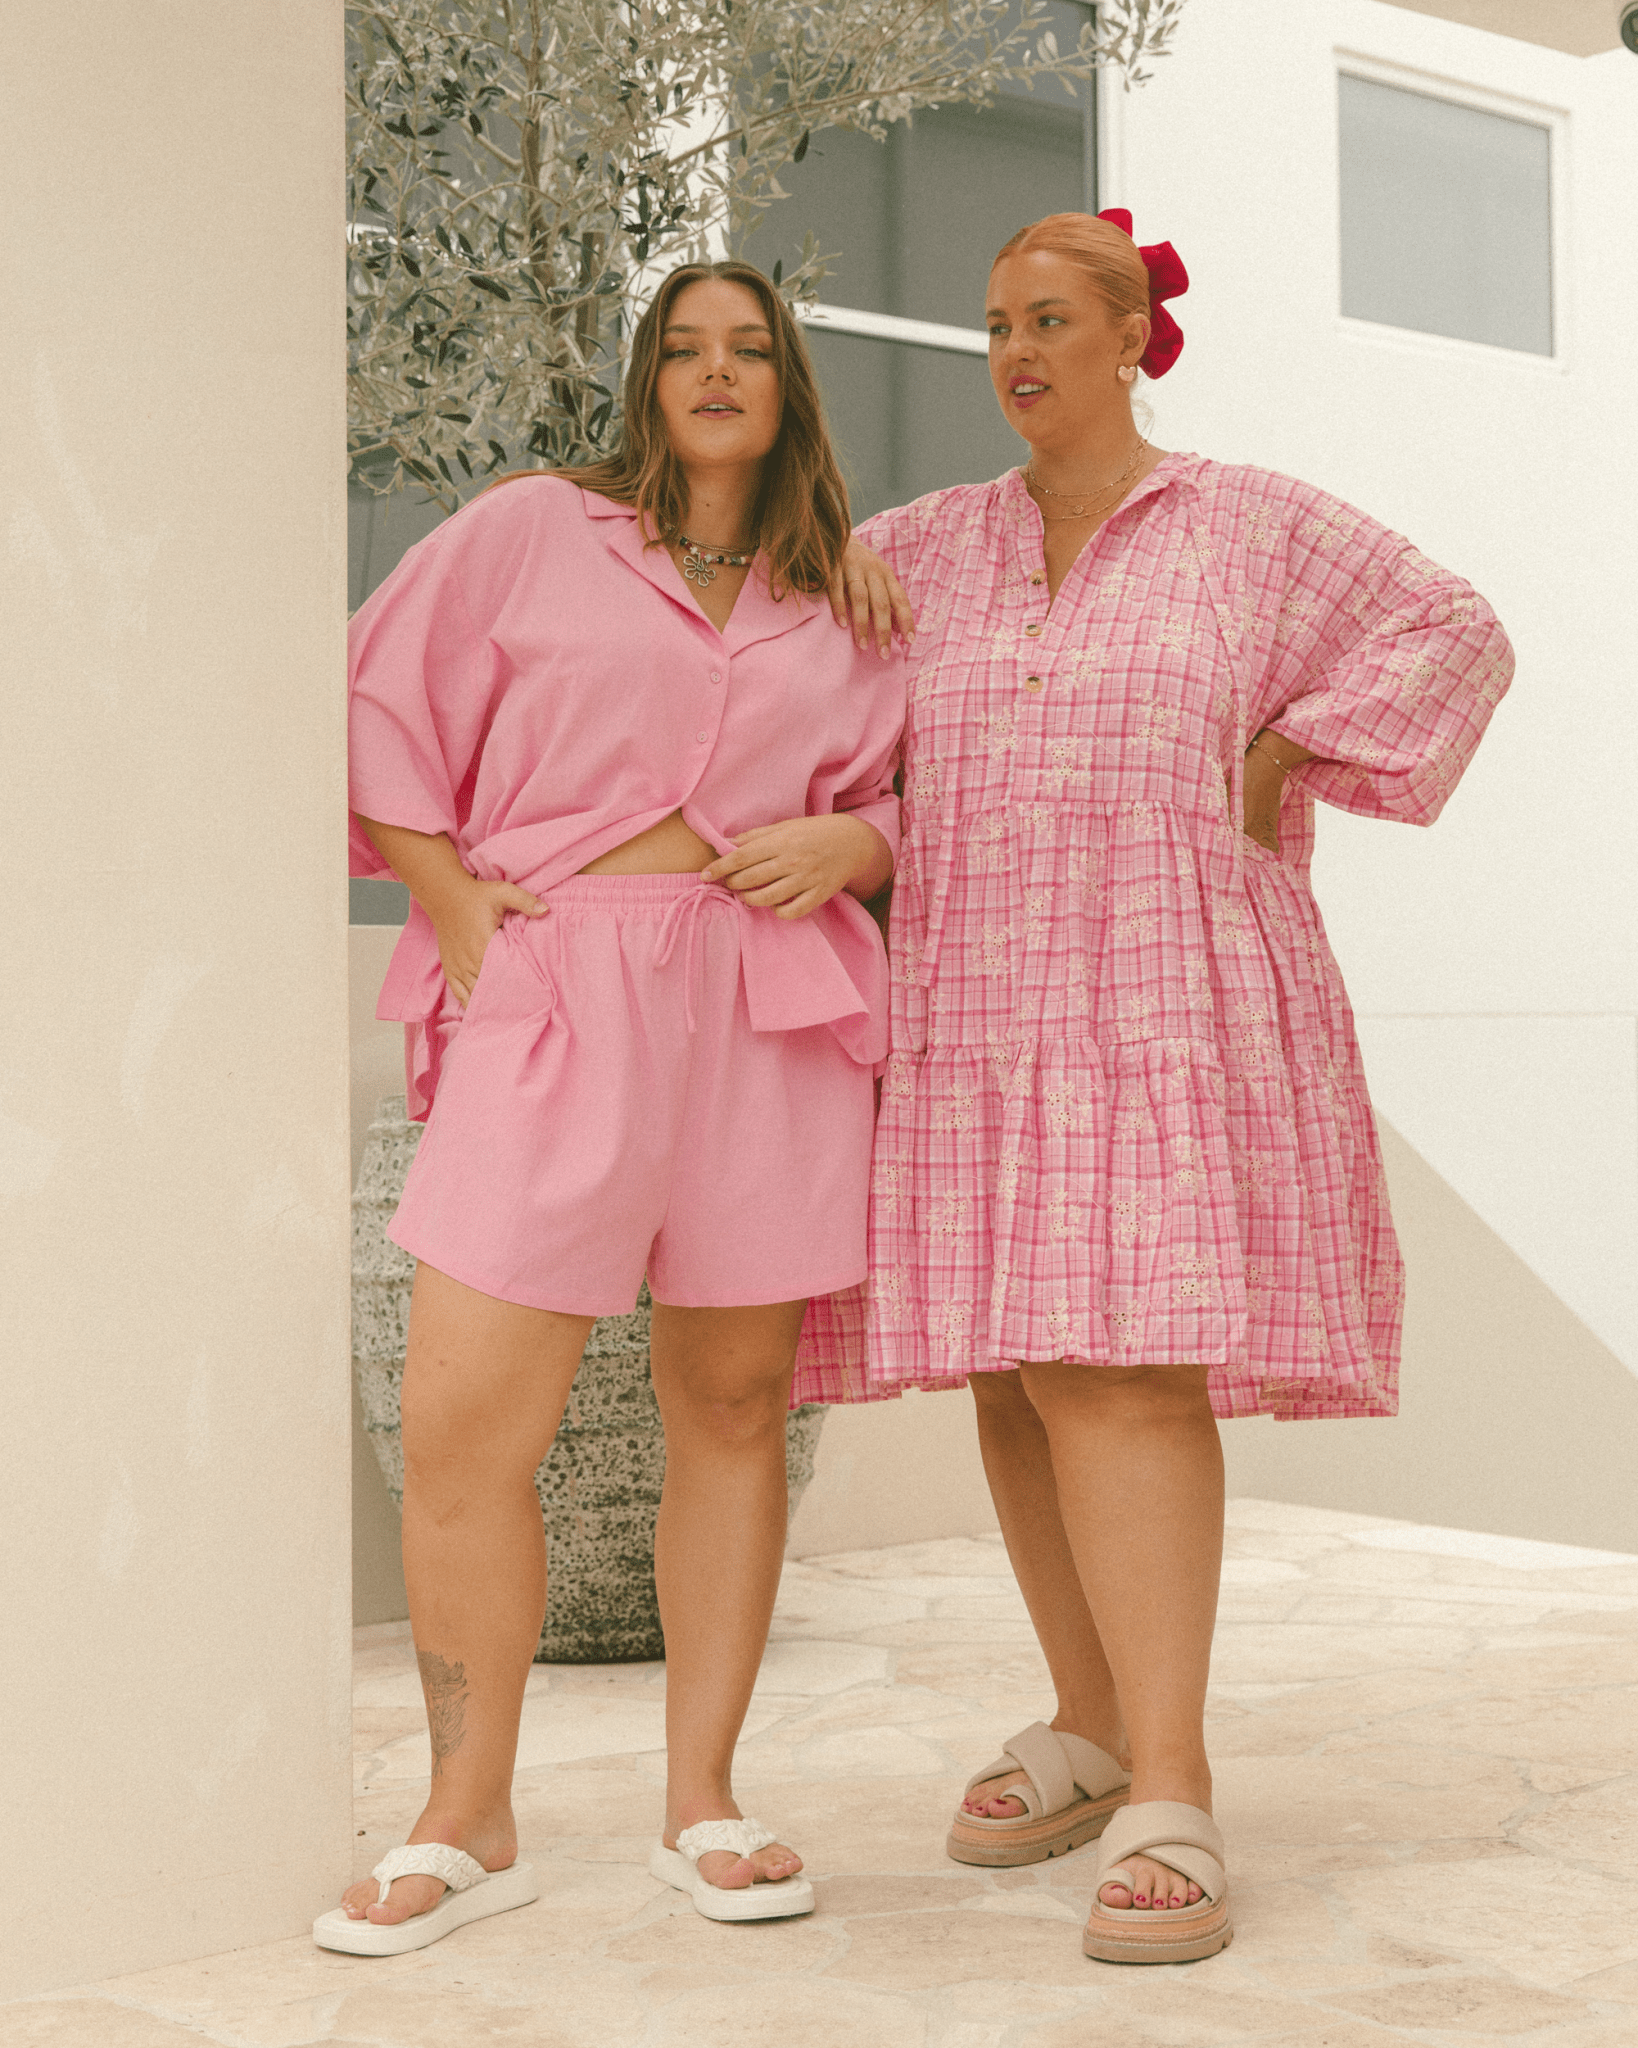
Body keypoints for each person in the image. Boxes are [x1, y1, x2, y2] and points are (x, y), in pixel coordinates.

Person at [827, 208, 1512, 1964]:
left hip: (1160, 996)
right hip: (975, 1002)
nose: (1014, 351)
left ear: (1134, 337)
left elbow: (1452, 624)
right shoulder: (921, 549)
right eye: (995, 323)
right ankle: (1089, 1723)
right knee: (1016, 1371)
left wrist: (1290, 750)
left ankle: (1175, 1783)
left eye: (1051, 319)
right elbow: (777, 656)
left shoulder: (1250, 528)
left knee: (1119, 1367)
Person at [315, 260, 905, 1956]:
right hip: (560, 983)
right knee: (461, 1424)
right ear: (644, 379)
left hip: (766, 1008)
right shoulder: (529, 532)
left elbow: (914, 798)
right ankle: (464, 1816)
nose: (715, 372)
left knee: (730, 1406)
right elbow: (370, 700)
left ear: (787, 388)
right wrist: (447, 898)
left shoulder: (844, 598)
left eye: (749, 350)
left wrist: (856, 843)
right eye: (682, 348)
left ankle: (702, 1799)